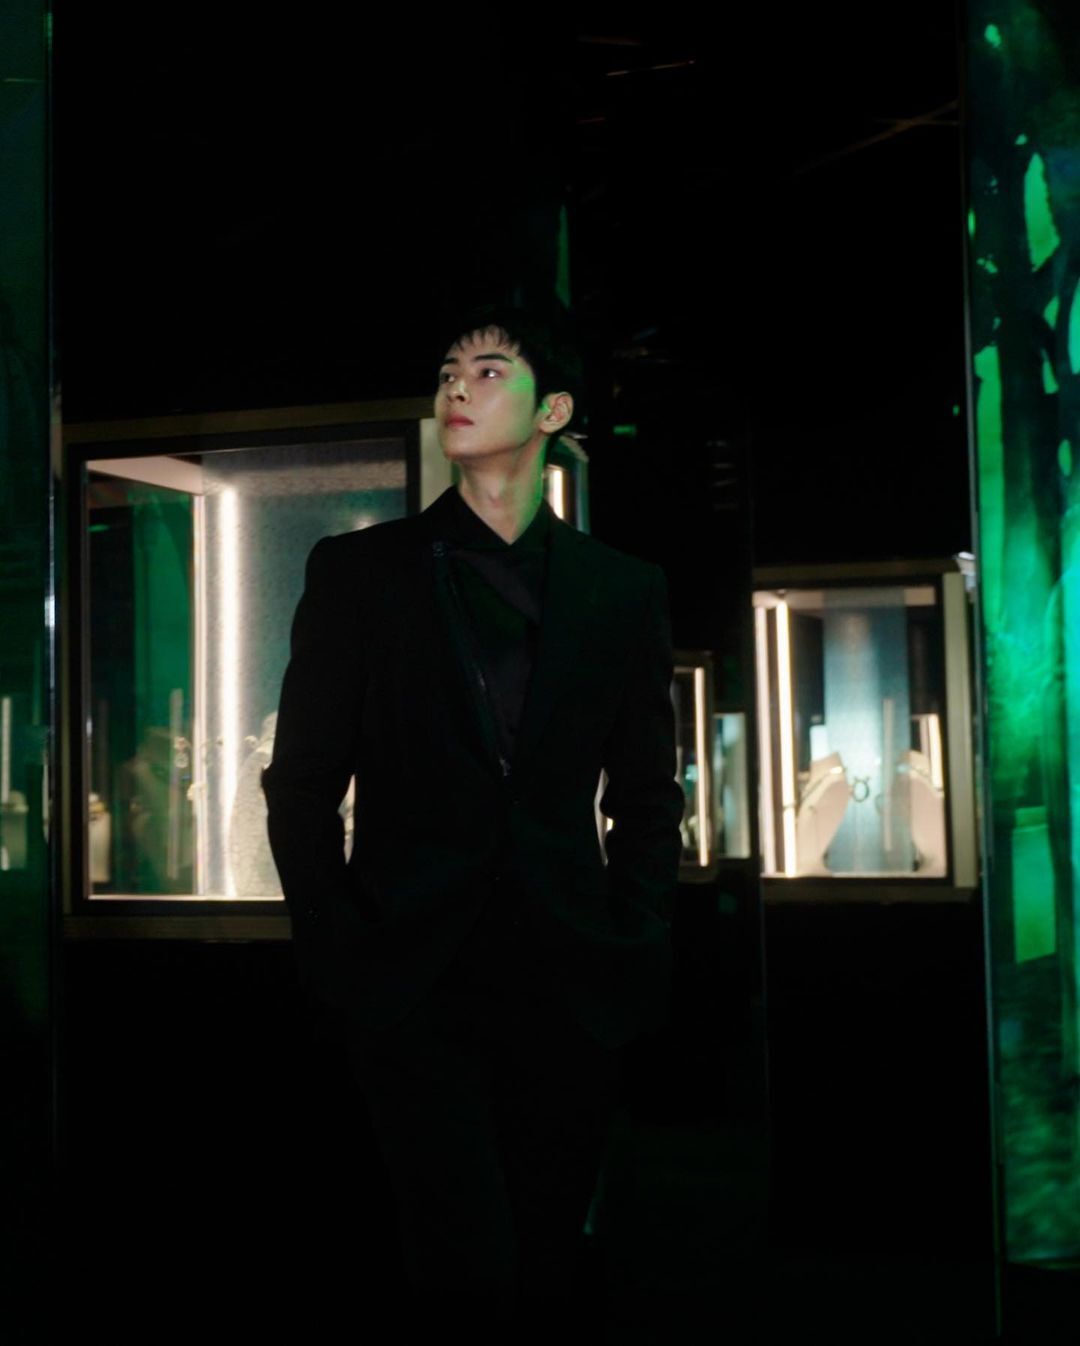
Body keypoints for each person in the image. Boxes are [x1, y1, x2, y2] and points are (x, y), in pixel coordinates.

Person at [261, 304, 683, 1342]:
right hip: (412, 978)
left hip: (570, 978)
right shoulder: (359, 572)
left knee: (546, 1260)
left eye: (489, 369)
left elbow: (647, 794)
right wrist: (340, 947)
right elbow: (301, 785)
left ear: (554, 411)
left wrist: (635, 937)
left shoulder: (622, 590)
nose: (456, 384)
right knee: (458, 1264)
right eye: (449, 368)